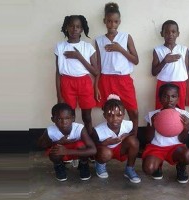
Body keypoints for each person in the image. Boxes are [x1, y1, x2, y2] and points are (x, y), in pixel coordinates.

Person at [94, 2, 139, 136]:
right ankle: (110, 140)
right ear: (104, 21)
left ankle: (134, 139)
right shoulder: (99, 40)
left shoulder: (126, 37)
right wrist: (96, 85)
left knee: (133, 111)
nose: (112, 24)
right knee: (110, 112)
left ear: (119, 22)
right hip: (106, 79)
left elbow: (136, 60)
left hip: (123, 79)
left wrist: (120, 49)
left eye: (115, 22)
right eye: (109, 21)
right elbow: (99, 65)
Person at [55, 15, 99, 137]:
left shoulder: (87, 47)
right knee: (69, 116)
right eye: (71, 26)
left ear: (82, 29)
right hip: (67, 82)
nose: (75, 29)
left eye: (78, 26)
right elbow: (58, 72)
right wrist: (59, 95)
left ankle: (90, 142)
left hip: (84, 83)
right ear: (66, 28)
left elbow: (95, 72)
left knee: (87, 116)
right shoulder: (60, 47)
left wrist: (79, 57)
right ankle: (71, 141)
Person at [142, 83, 189, 183]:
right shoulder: (153, 115)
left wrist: (186, 128)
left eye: (173, 96)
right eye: (165, 96)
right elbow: (148, 139)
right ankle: (158, 166)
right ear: (160, 98)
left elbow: (183, 140)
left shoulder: (183, 115)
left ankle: (181, 167)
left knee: (188, 156)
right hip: (156, 147)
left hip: (175, 148)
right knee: (148, 168)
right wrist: (152, 124)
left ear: (178, 99)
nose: (170, 99)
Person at [38, 103, 97, 181]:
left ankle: (83, 164)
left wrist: (67, 151)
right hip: (61, 153)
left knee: (82, 146)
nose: (64, 122)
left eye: (67, 118)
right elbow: (41, 145)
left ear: (73, 118)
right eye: (59, 119)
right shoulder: (50, 131)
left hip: (75, 152)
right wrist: (58, 142)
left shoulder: (79, 128)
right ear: (53, 119)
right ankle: (59, 165)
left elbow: (93, 150)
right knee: (55, 150)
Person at [91, 94, 141, 183]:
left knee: (134, 141)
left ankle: (129, 168)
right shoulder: (98, 130)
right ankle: (100, 164)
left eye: (119, 115)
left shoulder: (128, 124)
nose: (115, 119)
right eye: (110, 115)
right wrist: (106, 143)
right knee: (105, 153)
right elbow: (93, 146)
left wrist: (126, 135)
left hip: (120, 149)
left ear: (124, 115)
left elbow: (133, 132)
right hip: (105, 151)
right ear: (104, 115)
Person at [151, 20, 189, 110]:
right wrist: (165, 61)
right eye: (167, 32)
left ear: (178, 33)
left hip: (180, 84)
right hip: (163, 84)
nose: (170, 34)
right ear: (162, 33)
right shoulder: (157, 50)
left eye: (173, 32)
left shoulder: (184, 49)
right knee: (161, 110)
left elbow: (187, 72)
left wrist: (187, 94)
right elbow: (153, 72)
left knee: (179, 112)